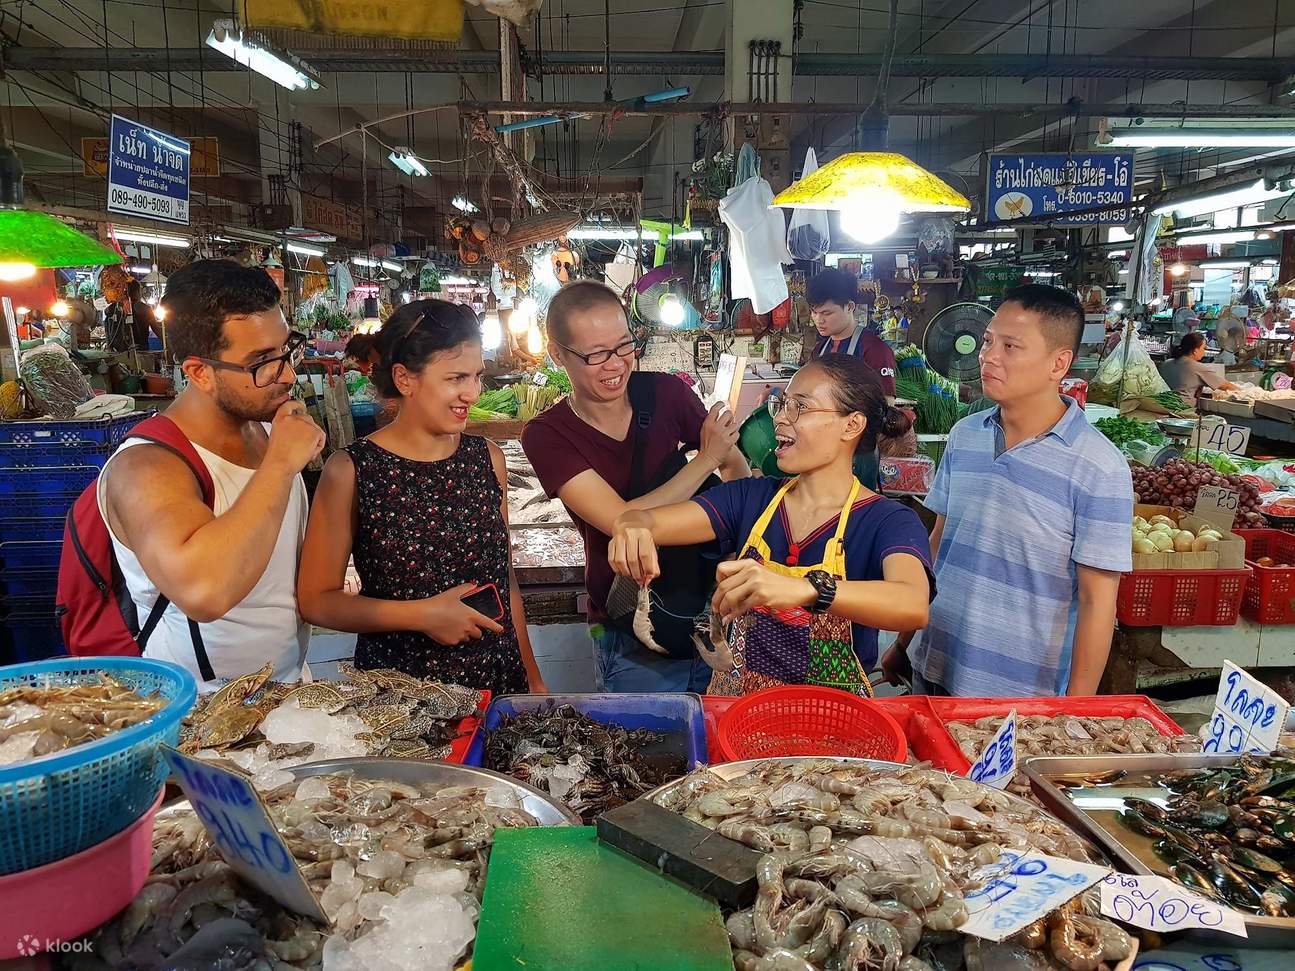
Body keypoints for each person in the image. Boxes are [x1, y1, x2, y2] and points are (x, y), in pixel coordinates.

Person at [608, 355, 932, 696]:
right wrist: (632, 525)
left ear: (851, 425)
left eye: (800, 407)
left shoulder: (887, 520)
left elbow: (912, 604)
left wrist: (806, 588)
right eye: (783, 404)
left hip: (830, 722)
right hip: (739, 715)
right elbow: (645, 519)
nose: (779, 418)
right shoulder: (752, 498)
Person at [883, 284, 1133, 697]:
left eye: (1011, 346)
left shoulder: (1098, 467)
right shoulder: (964, 436)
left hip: (1019, 695)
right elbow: (938, 547)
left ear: (1059, 363)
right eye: (987, 341)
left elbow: (1097, 603)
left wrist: (1076, 708)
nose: (987, 356)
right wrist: (904, 642)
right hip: (936, 666)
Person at [297, 300, 545, 696]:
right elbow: (316, 602)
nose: (473, 393)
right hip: (404, 692)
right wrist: (422, 614)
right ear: (404, 379)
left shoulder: (487, 459)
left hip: (496, 679)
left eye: (477, 377)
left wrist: (531, 677)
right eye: (455, 378)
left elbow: (505, 580)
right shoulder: (352, 470)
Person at [98, 260, 325, 691]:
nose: (289, 374)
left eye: (286, 351)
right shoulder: (146, 467)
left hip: (288, 695)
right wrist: (280, 464)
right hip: (199, 714)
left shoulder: (267, 431)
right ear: (199, 372)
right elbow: (205, 592)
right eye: (262, 362)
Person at [521, 280, 749, 693]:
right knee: (646, 746)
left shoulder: (666, 393)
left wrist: (739, 549)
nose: (616, 365)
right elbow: (621, 520)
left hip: (705, 606)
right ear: (558, 354)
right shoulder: (547, 434)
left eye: (625, 346)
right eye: (596, 354)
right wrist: (707, 460)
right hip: (627, 616)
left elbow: (737, 471)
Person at [807, 268, 896, 397]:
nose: (818, 320)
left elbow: (886, 406)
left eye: (826, 313)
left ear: (849, 307)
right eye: (814, 312)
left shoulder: (875, 350)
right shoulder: (819, 350)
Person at [1159, 332, 1238, 401]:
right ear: (1195, 351)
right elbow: (1226, 386)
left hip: (1160, 404)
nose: (1204, 352)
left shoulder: (1166, 363)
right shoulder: (1197, 367)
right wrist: (1243, 390)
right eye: (1203, 348)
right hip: (1180, 410)